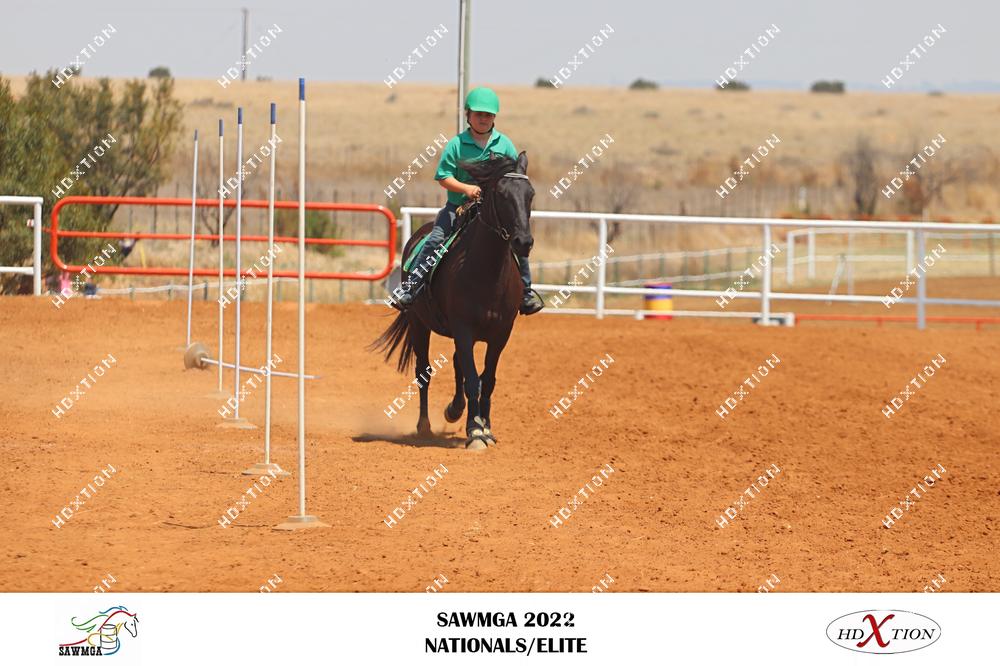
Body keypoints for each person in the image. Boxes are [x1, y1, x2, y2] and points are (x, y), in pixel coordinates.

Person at [395, 87, 544, 315]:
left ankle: (525, 294)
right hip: (457, 209)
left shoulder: (504, 145)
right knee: (435, 239)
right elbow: (443, 176)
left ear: (494, 117)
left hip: (493, 213)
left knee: (518, 241)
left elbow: (514, 178)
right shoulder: (456, 144)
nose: (483, 119)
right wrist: (466, 189)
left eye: (488, 115)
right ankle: (411, 287)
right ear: (468, 115)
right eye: (478, 114)